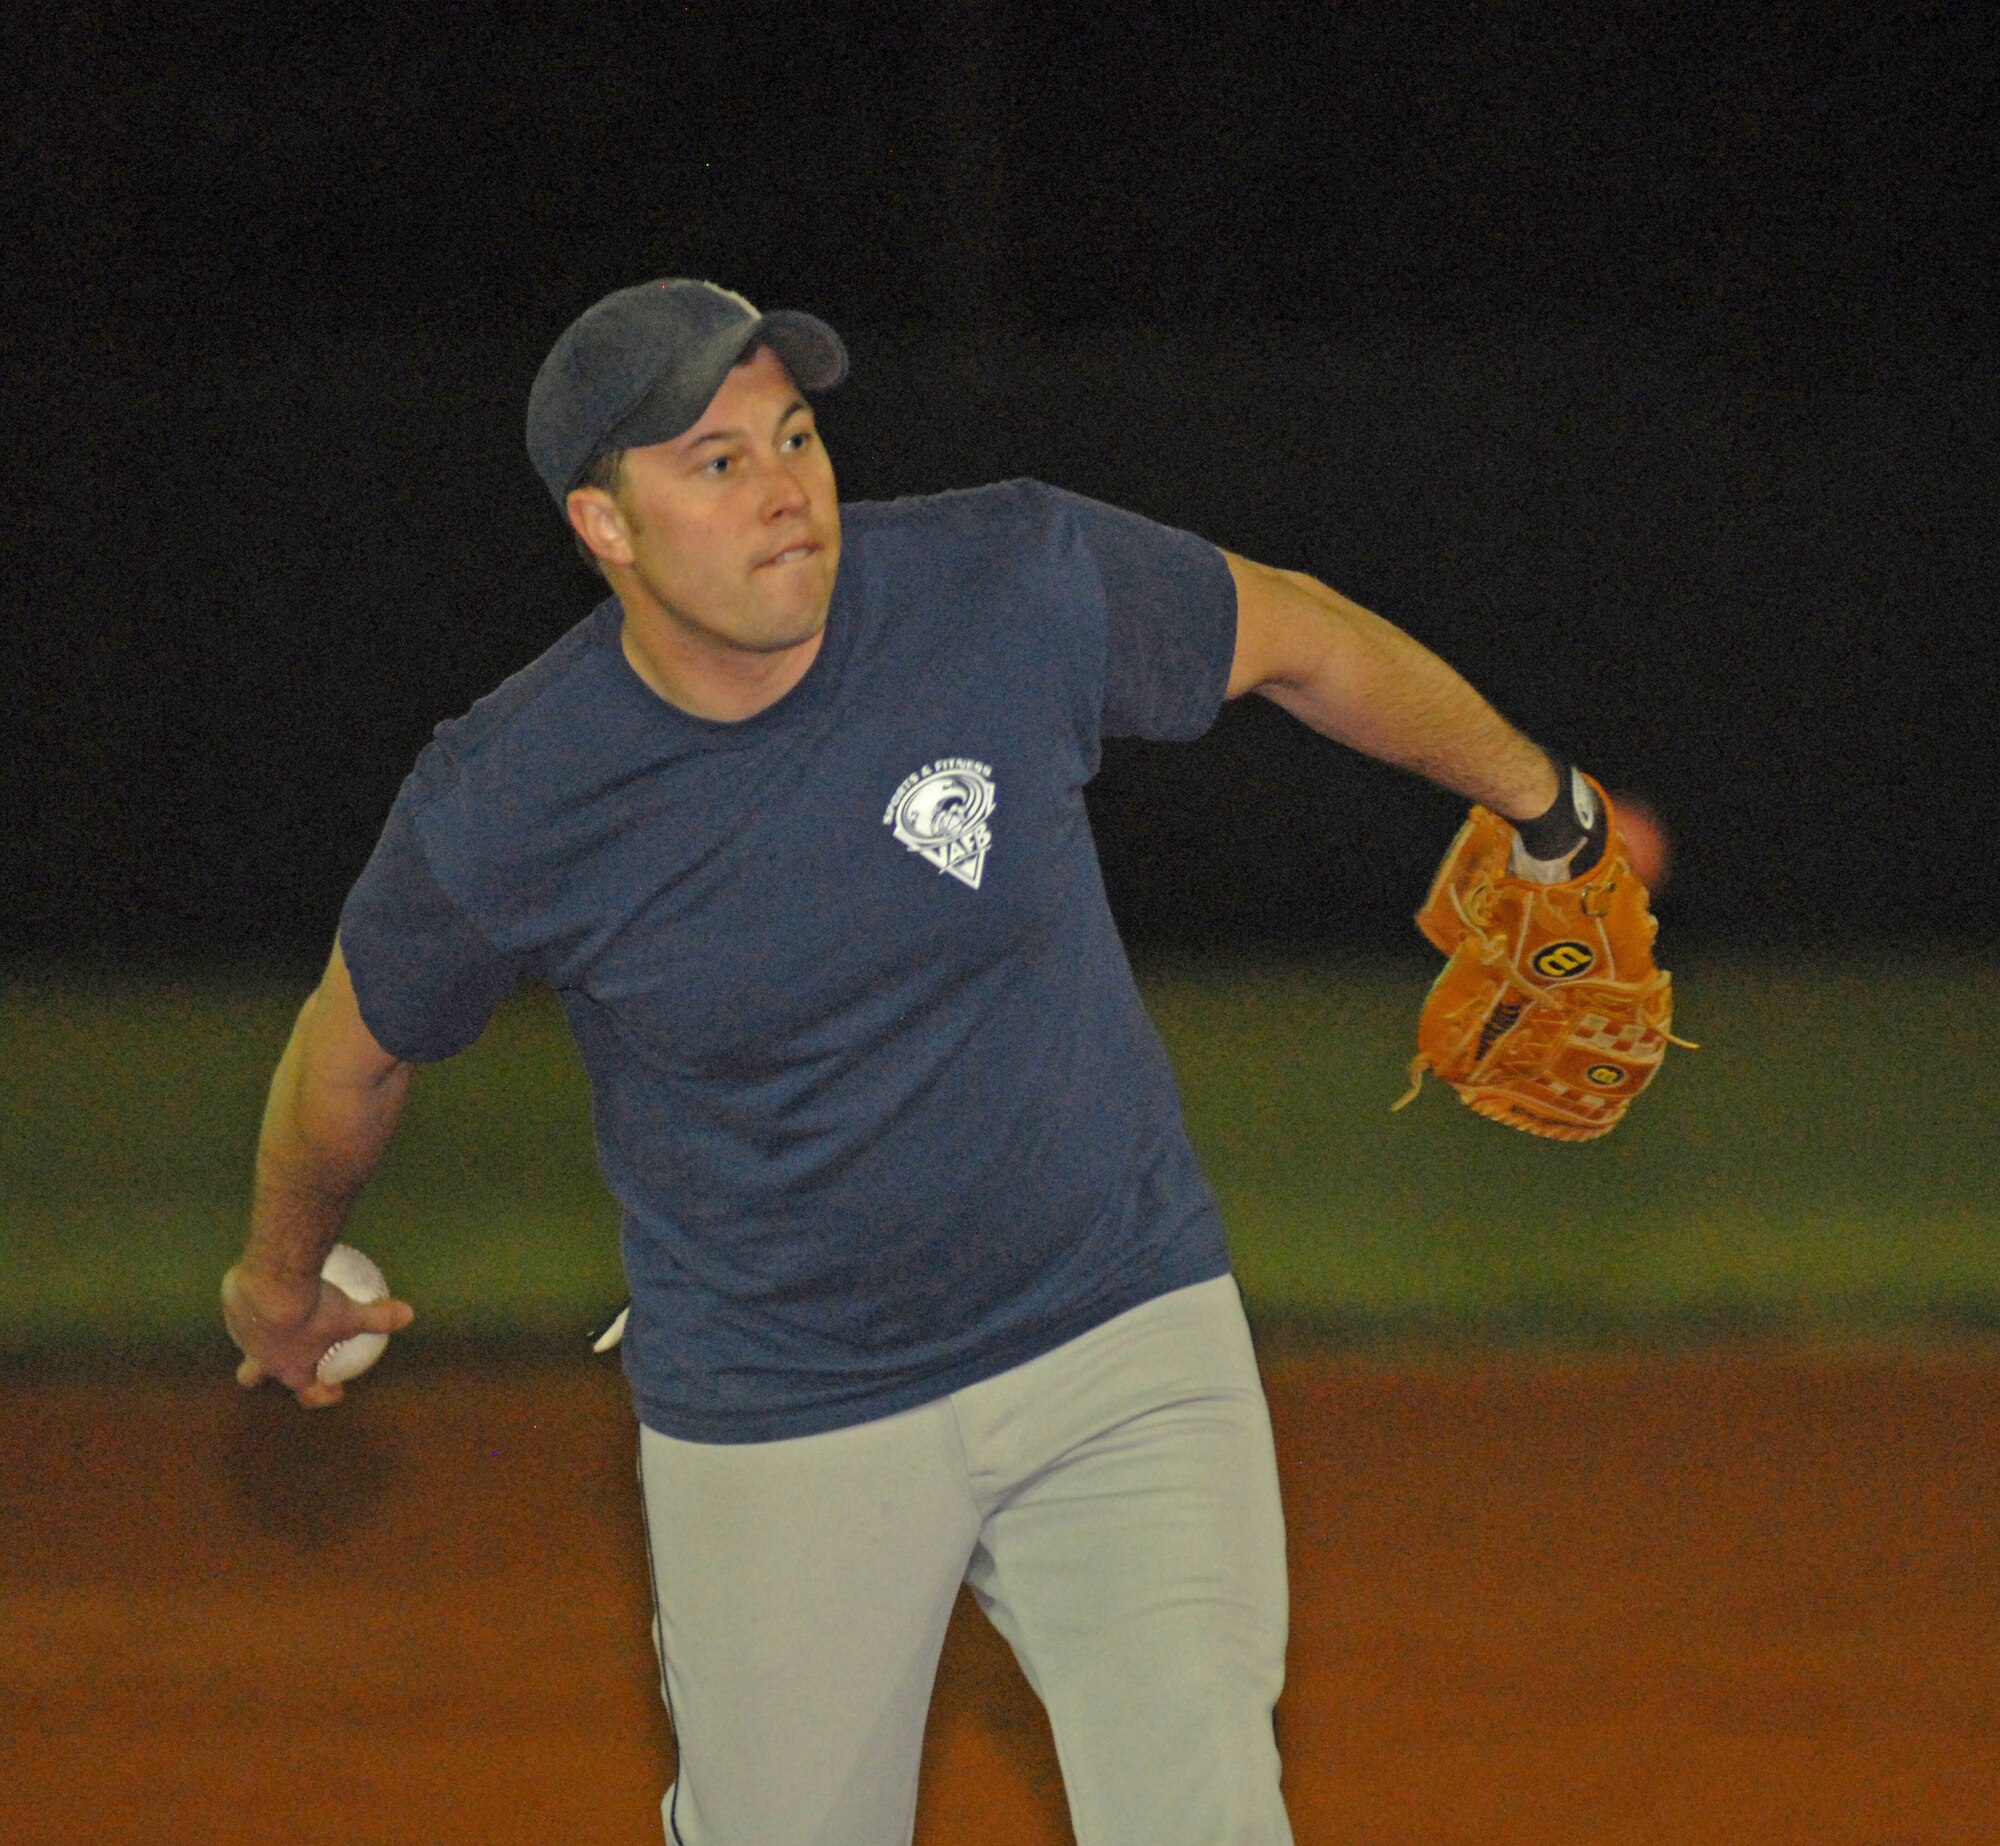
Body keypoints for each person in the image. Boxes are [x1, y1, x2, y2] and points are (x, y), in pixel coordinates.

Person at [222, 277, 1607, 1846]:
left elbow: (1288, 630)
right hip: (788, 1407)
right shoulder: (516, 793)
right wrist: (280, 1276)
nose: (785, 489)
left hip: (1118, 1331)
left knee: (1205, 1811)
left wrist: (1545, 804)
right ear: (606, 526)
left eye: (794, 435)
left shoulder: (1001, 579)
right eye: (716, 461)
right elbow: (355, 1053)